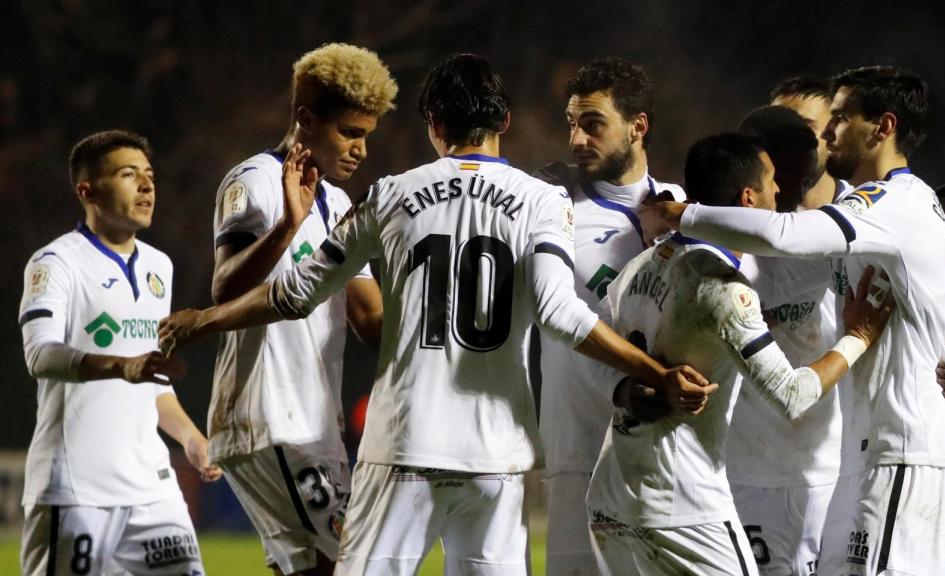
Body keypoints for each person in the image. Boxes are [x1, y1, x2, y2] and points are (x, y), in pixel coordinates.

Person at [158, 53, 714, 576]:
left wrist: (204, 320)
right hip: (498, 456)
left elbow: (296, 292)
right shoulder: (543, 201)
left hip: (406, 446)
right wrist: (656, 372)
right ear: (504, 120)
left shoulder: (389, 194)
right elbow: (558, 311)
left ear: (434, 124)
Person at [641, 66, 945, 576]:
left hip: (907, 446)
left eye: (840, 119)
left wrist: (682, 214)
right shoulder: (865, 214)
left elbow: (784, 236)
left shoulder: (892, 203)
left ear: (883, 127)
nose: (828, 134)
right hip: (860, 454)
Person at [587, 132, 893, 576]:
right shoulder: (723, 288)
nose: (779, 192)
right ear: (748, 199)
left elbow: (594, 347)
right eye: (771, 182)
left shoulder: (638, 266)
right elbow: (792, 395)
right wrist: (858, 337)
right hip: (682, 505)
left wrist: (624, 389)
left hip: (611, 498)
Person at [206, 43, 396, 576]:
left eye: (366, 136)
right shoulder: (255, 181)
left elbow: (370, 321)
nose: (360, 150)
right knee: (357, 562)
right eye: (349, 132)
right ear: (306, 120)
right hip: (269, 415)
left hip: (312, 421)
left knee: (313, 568)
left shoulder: (338, 204)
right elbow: (225, 287)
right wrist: (288, 226)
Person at [18, 130, 219, 576]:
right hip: (76, 490)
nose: (146, 186)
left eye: (150, 176)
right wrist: (120, 366)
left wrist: (191, 438)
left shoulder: (158, 267)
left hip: (152, 487)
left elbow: (153, 383)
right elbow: (40, 355)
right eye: (129, 175)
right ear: (87, 191)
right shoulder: (55, 262)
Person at [532, 57, 685, 576]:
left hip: (670, 461)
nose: (576, 139)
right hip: (579, 456)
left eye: (593, 124)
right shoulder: (553, 211)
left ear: (638, 125)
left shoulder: (684, 210)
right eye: (571, 123)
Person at [770, 75, 945, 286]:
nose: (784, 140)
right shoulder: (756, 210)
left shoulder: (877, 210)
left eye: (803, 127)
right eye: (773, 127)